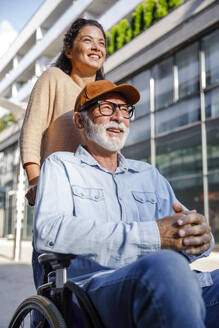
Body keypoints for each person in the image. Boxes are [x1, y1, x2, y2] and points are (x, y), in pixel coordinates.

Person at [34, 80, 218, 327]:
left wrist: (201, 238)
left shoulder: (148, 174)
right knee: (166, 266)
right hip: (95, 292)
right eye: (107, 108)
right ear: (79, 121)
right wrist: (152, 235)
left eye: (124, 110)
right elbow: (49, 232)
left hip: (175, 285)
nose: (119, 117)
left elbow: (182, 229)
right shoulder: (61, 166)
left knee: (170, 269)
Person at [19, 18, 107, 206]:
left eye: (101, 43)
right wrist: (35, 181)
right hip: (59, 192)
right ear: (68, 51)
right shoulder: (54, 78)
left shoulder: (105, 99)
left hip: (99, 196)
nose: (96, 47)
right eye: (87, 40)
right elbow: (31, 130)